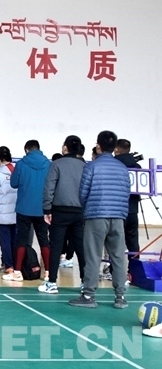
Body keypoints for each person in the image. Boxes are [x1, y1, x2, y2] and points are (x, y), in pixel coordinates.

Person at [70, 131, 131, 309]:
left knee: (93, 256)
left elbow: (83, 193)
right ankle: (120, 297)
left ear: (98, 146)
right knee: (118, 257)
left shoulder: (92, 166)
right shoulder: (122, 168)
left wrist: (87, 209)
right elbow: (126, 192)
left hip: (96, 215)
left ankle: (89, 295)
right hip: (118, 216)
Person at [41, 135, 86, 294]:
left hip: (59, 211)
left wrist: (47, 209)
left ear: (65, 147)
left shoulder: (56, 164)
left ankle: (52, 282)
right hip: (80, 211)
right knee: (81, 248)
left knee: (56, 247)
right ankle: (85, 282)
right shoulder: (85, 166)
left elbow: (49, 188)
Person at [3, 140, 51, 282]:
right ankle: (48, 272)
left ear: (26, 150)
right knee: (44, 239)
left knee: (22, 240)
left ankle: (17, 272)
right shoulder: (49, 164)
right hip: (42, 208)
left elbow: (14, 183)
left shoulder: (21, 164)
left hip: (24, 207)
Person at [114, 139, 141, 272]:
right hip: (133, 209)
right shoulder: (137, 167)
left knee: (115, 241)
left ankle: (115, 271)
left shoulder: (113, 164)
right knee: (133, 241)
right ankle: (134, 270)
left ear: (116, 149)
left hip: (117, 210)